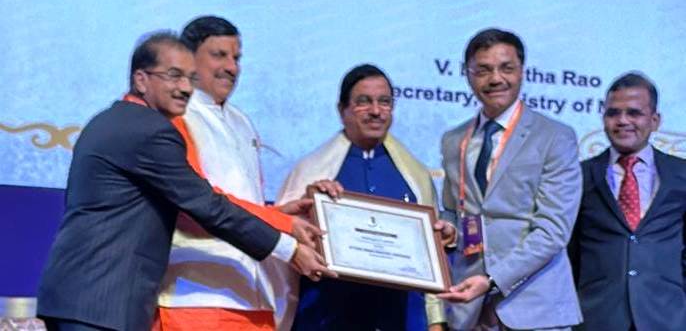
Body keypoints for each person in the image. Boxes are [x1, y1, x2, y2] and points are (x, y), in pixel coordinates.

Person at [37, 32, 330, 331]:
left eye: (190, 78)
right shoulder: (150, 130)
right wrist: (289, 248)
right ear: (141, 80)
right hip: (102, 297)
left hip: (83, 296)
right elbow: (206, 206)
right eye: (174, 76)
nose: (186, 88)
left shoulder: (111, 120)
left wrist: (275, 216)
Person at [156, 16, 314, 331]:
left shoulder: (242, 122)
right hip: (197, 296)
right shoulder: (176, 117)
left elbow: (240, 203)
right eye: (219, 55)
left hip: (255, 295)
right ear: (188, 59)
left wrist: (279, 214)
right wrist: (283, 225)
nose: (232, 67)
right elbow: (198, 206)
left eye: (236, 58)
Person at [278, 64, 446, 331]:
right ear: (342, 110)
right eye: (363, 102)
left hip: (402, 320)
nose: (376, 111)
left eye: (384, 102)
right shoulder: (312, 172)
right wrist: (310, 212)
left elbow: (431, 261)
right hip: (326, 317)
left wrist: (436, 321)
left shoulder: (416, 176)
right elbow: (283, 245)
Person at [438, 28, 582, 331]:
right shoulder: (454, 140)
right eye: (483, 70)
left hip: (536, 307)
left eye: (506, 68)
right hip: (470, 309)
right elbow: (453, 211)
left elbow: (554, 231)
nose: (495, 79)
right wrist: (448, 229)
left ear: (522, 72)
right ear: (467, 75)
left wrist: (492, 280)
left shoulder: (555, 137)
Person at [568, 72, 686, 330]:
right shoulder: (579, 176)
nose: (622, 121)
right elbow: (570, 253)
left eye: (634, 113)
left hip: (668, 318)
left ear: (654, 120)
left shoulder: (681, 174)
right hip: (597, 317)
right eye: (613, 113)